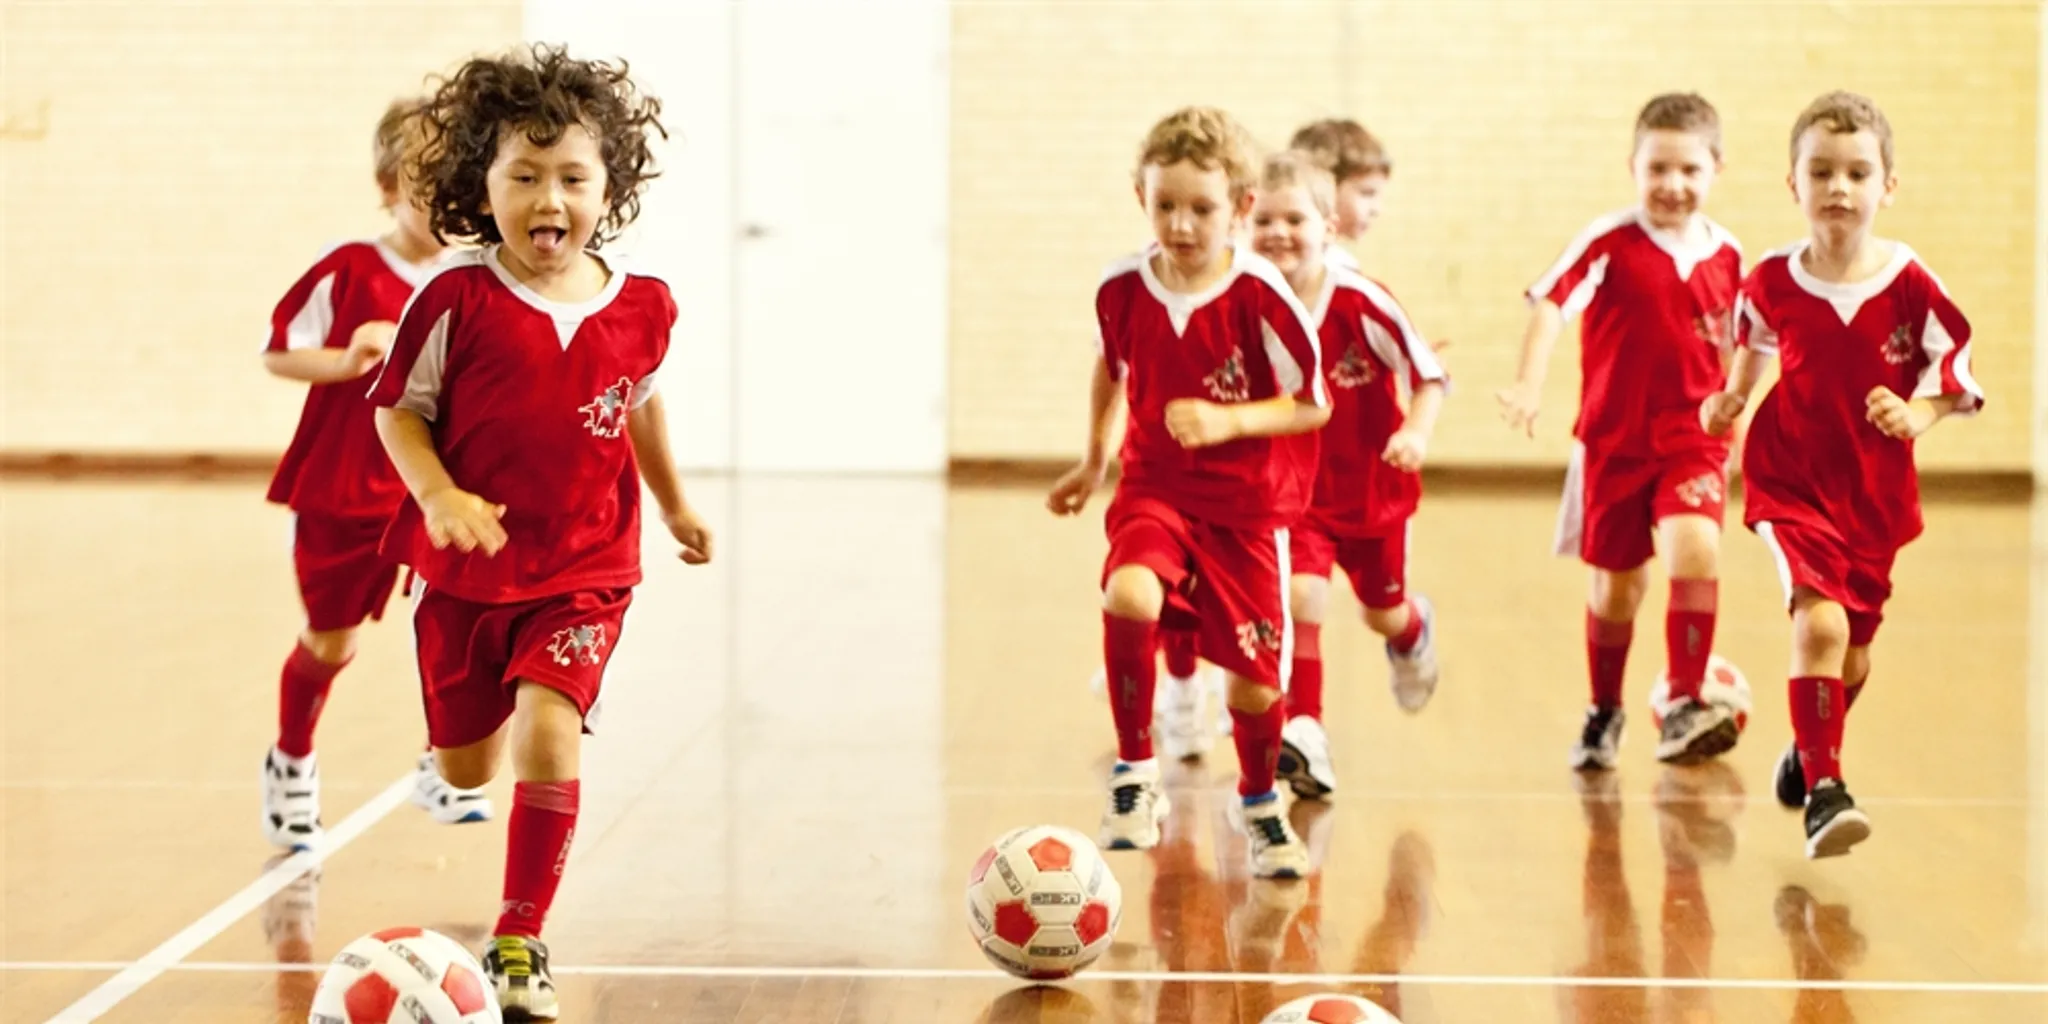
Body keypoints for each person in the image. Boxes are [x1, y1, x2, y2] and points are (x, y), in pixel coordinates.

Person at [368, 44, 714, 1017]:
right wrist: (438, 495)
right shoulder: (455, 299)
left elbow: (639, 406)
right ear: (483, 185)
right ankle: (453, 758)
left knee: (548, 731)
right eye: (522, 175)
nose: (547, 196)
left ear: (610, 187)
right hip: (469, 571)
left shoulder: (642, 305)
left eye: (571, 176)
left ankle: (521, 936)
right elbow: (396, 411)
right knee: (467, 763)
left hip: (586, 567)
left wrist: (673, 502)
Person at [1048, 106, 1328, 878]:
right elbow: (1112, 364)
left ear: (1239, 208)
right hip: (1155, 487)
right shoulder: (1123, 288)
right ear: (1141, 197)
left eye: (1201, 208)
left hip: (1246, 510)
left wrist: (1225, 419)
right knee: (1129, 595)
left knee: (1253, 688)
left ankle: (1261, 800)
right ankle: (1136, 773)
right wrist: (1094, 458)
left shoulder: (1263, 294)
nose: (1180, 223)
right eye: (1164, 203)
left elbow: (1312, 403)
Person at [1702, 90, 1982, 859]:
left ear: (1887, 186)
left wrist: (1919, 415)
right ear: (1792, 184)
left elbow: (1954, 372)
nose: (1838, 188)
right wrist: (1733, 397)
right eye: (1820, 171)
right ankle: (1827, 789)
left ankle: (1806, 746)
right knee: (1818, 624)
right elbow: (1754, 338)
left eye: (1858, 173)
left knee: (1853, 651)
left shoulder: (1912, 284)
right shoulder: (1771, 279)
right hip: (1789, 477)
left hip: (1874, 494)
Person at [1498, 93, 1745, 772]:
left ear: (1717, 169)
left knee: (1696, 549)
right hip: (1613, 444)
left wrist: (1740, 422)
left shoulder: (1731, 256)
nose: (1672, 184)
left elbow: (1739, 347)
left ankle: (1687, 701)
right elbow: (1552, 305)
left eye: (1689, 170)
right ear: (1633, 166)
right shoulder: (1608, 242)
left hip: (1693, 440)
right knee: (1617, 591)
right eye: (1657, 168)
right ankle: (1605, 707)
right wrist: (1528, 383)